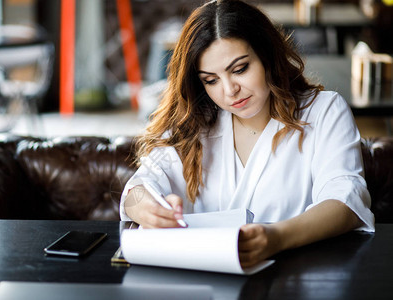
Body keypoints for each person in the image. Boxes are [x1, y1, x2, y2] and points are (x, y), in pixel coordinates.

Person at [120, 0, 375, 268]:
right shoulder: (194, 123)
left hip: (298, 276)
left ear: (267, 56)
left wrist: (277, 237)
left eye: (240, 69)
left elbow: (345, 200)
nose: (229, 91)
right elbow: (138, 189)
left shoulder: (323, 112)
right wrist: (148, 208)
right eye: (211, 80)